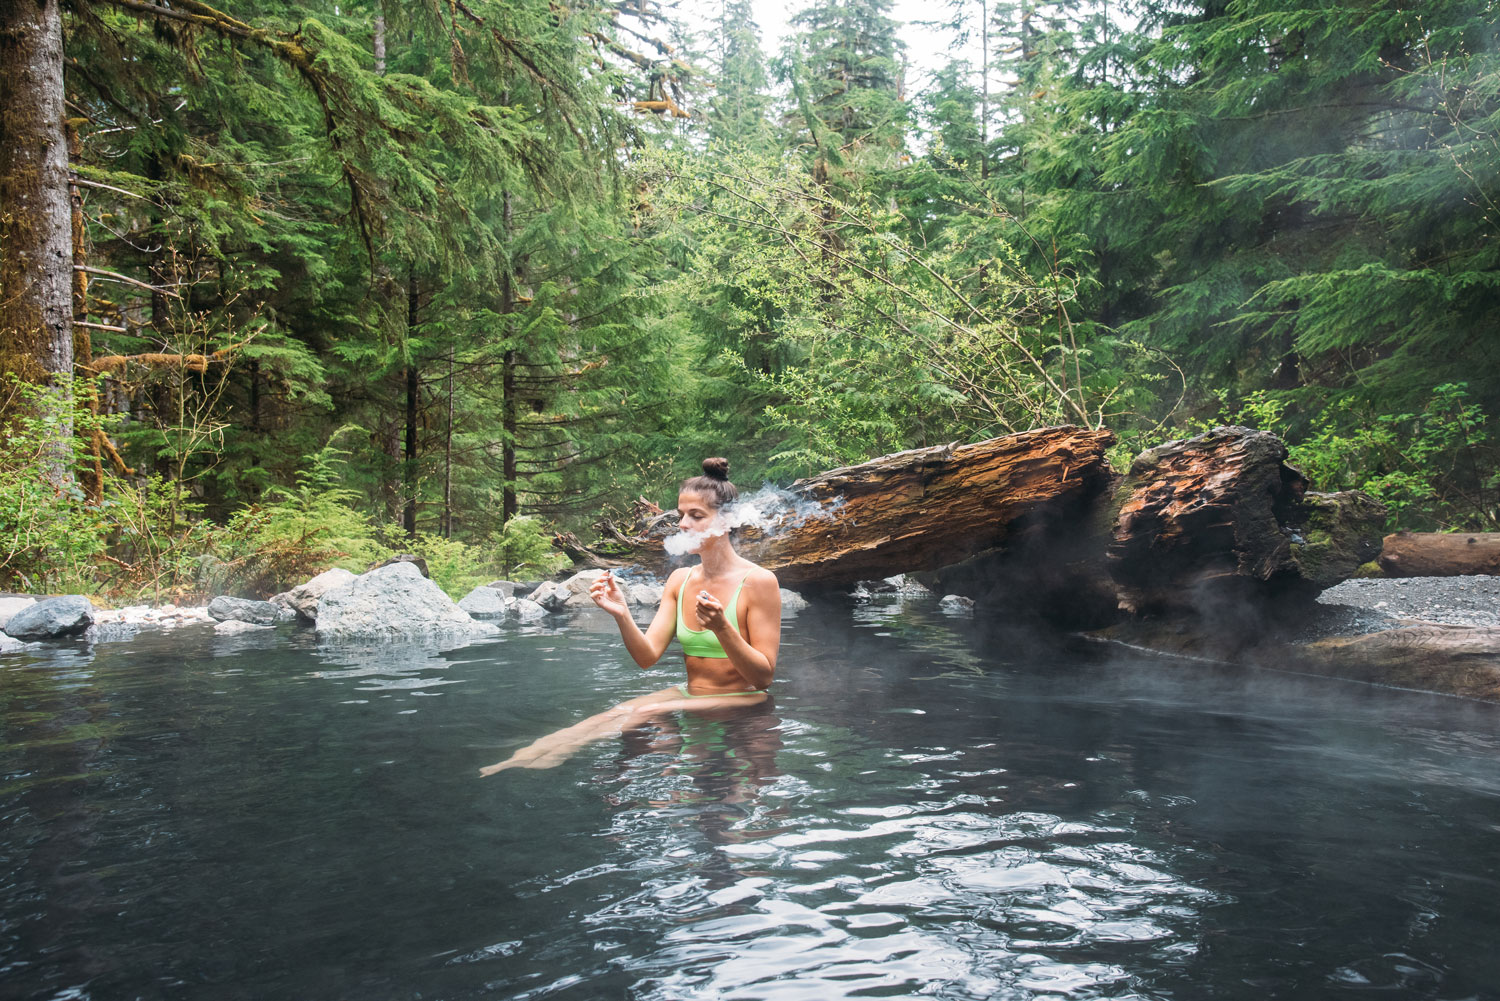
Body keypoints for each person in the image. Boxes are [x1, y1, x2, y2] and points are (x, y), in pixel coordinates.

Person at [479, 458, 782, 774]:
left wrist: (722, 627)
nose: (682, 525)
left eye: (696, 516)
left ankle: (620, 783)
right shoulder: (680, 580)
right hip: (690, 693)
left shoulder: (758, 582)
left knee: (642, 714)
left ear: (726, 521)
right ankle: (512, 765)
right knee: (610, 715)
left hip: (745, 701)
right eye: (681, 515)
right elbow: (647, 657)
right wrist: (621, 614)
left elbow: (763, 677)